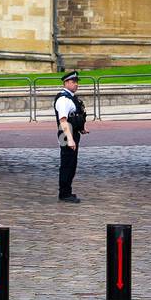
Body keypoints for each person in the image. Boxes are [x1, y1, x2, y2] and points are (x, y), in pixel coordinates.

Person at [53, 70, 88, 202]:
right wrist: (70, 139)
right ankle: (64, 194)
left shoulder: (71, 98)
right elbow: (63, 121)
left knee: (72, 163)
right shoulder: (63, 99)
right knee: (67, 163)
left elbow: (75, 117)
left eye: (77, 82)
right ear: (66, 83)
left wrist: (82, 128)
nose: (76, 84)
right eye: (73, 82)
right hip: (66, 134)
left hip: (72, 132)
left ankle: (67, 191)